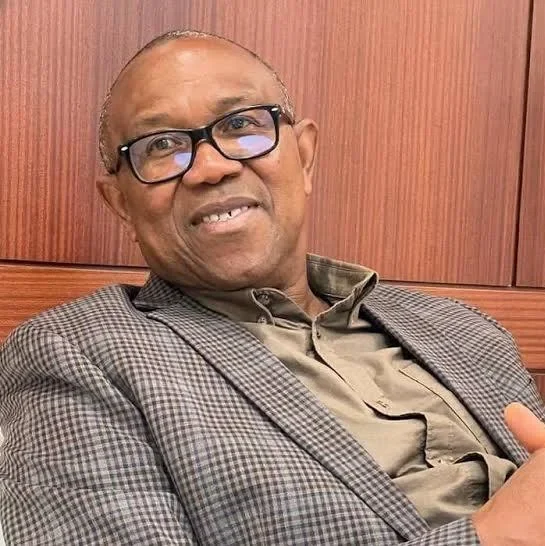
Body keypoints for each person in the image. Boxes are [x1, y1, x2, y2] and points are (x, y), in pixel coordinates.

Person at [1, 29, 544, 545]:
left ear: (304, 155)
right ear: (121, 202)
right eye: (162, 144)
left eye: (241, 125)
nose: (210, 168)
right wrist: (493, 537)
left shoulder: (465, 329)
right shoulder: (77, 354)